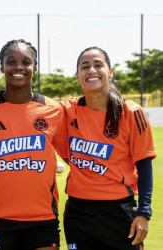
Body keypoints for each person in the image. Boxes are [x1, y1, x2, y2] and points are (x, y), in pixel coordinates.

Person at [0, 39, 68, 250]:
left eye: (26, 62)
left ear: (35, 68)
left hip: (43, 217)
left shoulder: (54, 110)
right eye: (11, 61)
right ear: (1, 66)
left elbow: (71, 156)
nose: (18, 66)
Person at [60, 46, 156, 250]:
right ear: (78, 76)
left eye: (98, 65)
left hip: (119, 212)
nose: (91, 70)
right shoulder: (67, 110)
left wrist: (144, 212)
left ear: (110, 71)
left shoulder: (130, 112)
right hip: (78, 214)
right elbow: (31, 106)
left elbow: (144, 165)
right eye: (85, 67)